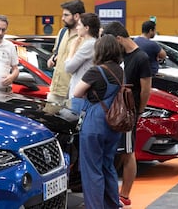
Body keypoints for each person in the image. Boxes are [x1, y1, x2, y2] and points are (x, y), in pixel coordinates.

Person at [102, 21, 152, 208]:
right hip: (116, 111)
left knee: (128, 153)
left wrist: (139, 111)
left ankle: (125, 194)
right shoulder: (120, 56)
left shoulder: (141, 58)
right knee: (118, 152)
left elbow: (146, 89)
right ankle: (115, 192)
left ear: (118, 39)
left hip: (129, 112)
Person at [73, 34, 124, 209]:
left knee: (92, 170)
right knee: (108, 166)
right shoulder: (120, 71)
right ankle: (112, 204)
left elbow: (77, 93)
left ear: (99, 51)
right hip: (114, 123)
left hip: (95, 122)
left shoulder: (96, 71)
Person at [47, 0, 85, 106]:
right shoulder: (62, 32)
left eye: (66, 15)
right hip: (55, 91)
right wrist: (52, 59)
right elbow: (56, 53)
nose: (62, 18)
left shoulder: (84, 37)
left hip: (72, 93)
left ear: (76, 16)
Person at [65, 13, 100, 104]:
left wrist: (72, 48)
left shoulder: (89, 44)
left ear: (87, 28)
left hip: (80, 96)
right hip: (83, 94)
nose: (77, 27)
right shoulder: (93, 43)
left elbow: (68, 67)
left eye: (79, 24)